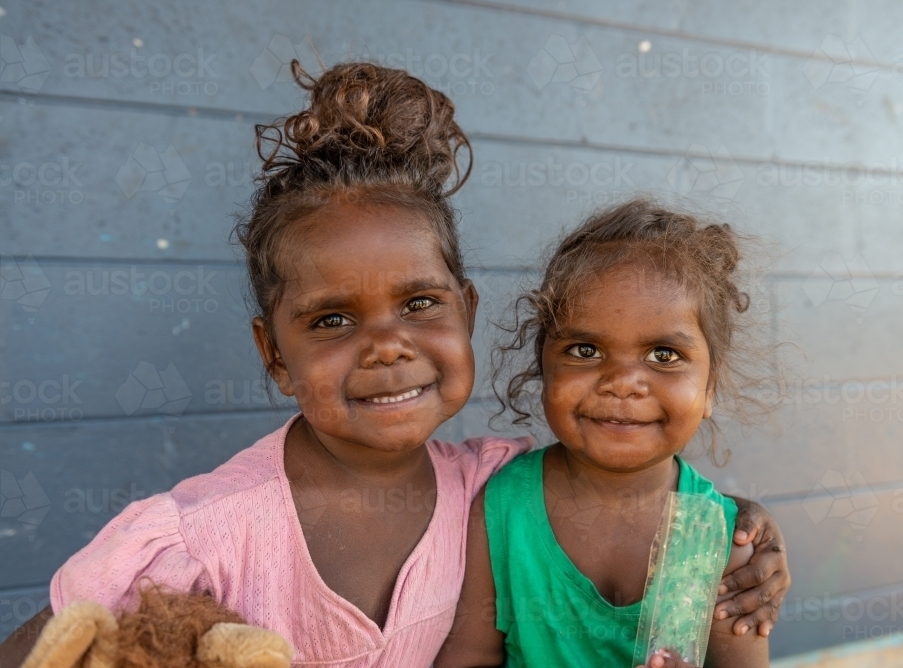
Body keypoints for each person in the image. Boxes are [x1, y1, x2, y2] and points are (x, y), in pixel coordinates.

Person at [0, 67, 786, 667]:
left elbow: (628, 476)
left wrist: (743, 526)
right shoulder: (199, 537)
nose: (387, 345)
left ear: (467, 313)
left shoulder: (489, 489)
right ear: (275, 355)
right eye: (333, 320)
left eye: (419, 304)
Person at [436, 199, 783, 668]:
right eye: (585, 349)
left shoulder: (722, 541)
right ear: (544, 367)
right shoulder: (502, 507)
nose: (621, 382)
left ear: (710, 388)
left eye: (663, 355)